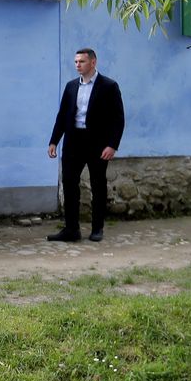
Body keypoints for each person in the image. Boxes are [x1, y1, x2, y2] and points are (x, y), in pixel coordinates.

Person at [48, 48, 125, 242]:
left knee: (98, 185)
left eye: (81, 61)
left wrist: (112, 145)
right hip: (73, 142)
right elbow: (62, 115)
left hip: (97, 144)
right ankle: (71, 230)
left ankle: (97, 228)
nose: (77, 65)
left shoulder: (109, 86)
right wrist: (54, 141)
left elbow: (118, 119)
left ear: (93, 62)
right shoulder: (71, 86)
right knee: (69, 184)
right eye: (75, 62)